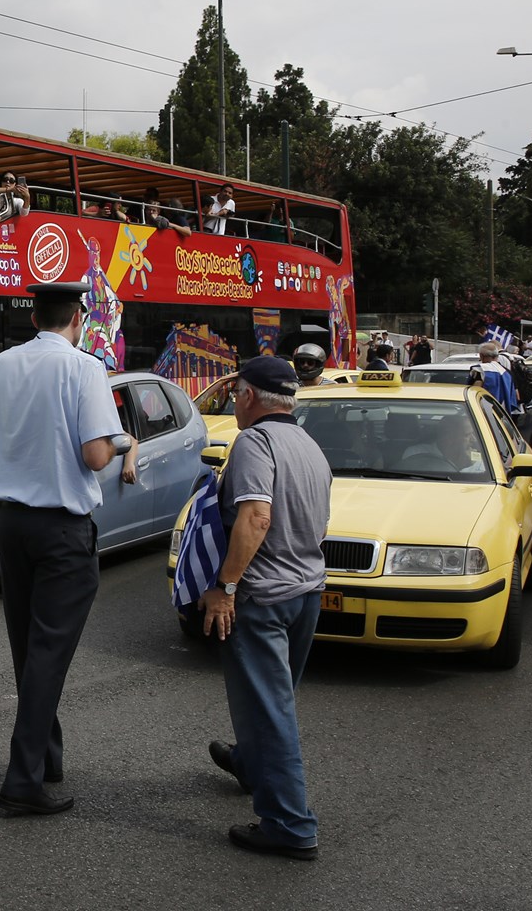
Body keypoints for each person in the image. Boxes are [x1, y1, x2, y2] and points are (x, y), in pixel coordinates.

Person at [0, 282, 138, 817]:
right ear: (78, 318)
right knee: (48, 656)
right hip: (61, 527)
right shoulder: (83, 367)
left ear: (34, 319)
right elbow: (96, 455)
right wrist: (122, 442)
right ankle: (22, 781)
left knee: (28, 647)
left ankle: (46, 758)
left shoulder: (2, 364)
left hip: (11, 521)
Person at [200, 356, 331, 860]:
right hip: (305, 593)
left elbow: (255, 518)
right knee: (276, 701)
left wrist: (226, 587)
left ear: (250, 396)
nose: (234, 402)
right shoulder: (308, 444)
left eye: (237, 394)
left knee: (271, 711)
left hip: (263, 598)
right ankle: (250, 765)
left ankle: (290, 825)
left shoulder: (255, 442)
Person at [467, 342, 519, 413]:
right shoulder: (507, 373)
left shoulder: (480, 370)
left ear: (481, 356)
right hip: (503, 414)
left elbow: (473, 393)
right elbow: (514, 398)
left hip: (484, 412)